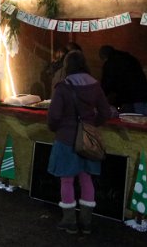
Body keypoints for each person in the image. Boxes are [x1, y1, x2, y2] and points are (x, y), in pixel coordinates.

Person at [47, 50, 112, 234]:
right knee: (86, 179)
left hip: (66, 140)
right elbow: (105, 112)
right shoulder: (95, 85)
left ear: (67, 66)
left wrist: (56, 129)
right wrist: (91, 125)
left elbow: (54, 116)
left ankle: (69, 222)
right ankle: (86, 222)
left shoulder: (63, 87)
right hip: (88, 140)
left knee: (67, 180)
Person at [99, 45, 147, 115]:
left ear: (104, 56)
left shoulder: (110, 63)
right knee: (144, 118)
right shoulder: (130, 58)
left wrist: (100, 97)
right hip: (143, 93)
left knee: (129, 119)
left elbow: (107, 83)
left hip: (128, 98)